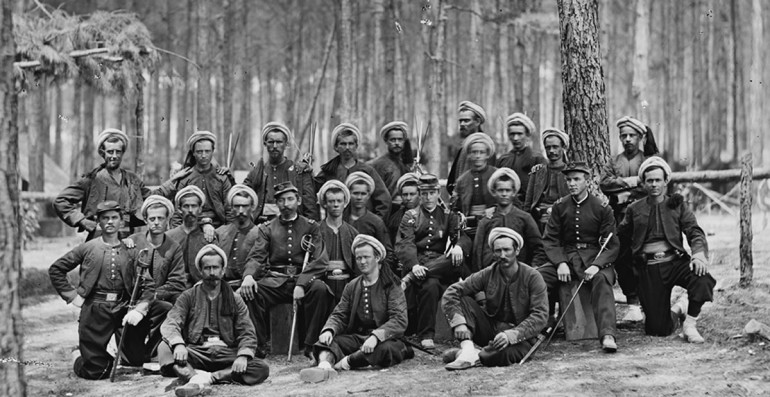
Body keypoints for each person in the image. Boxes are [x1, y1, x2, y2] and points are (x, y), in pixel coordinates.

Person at [48, 201, 156, 379]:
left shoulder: (130, 249)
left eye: (115, 218)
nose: (110, 222)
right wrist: (73, 296)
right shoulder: (88, 247)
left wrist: (139, 309)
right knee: (96, 372)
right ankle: (79, 356)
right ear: (98, 221)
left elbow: (148, 284)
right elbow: (56, 269)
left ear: (121, 221)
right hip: (96, 309)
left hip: (123, 307)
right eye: (105, 218)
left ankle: (111, 355)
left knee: (135, 360)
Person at [618, 157, 716, 342]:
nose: (654, 184)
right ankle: (678, 308)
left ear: (665, 182)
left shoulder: (677, 205)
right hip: (649, 267)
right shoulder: (634, 209)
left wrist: (698, 254)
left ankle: (690, 324)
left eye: (658, 180)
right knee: (657, 329)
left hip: (675, 262)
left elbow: (693, 231)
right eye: (650, 180)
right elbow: (620, 238)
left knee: (702, 278)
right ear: (644, 183)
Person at [159, 244, 269, 396]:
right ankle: (195, 377)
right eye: (207, 268)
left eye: (216, 268)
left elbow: (247, 331)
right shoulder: (188, 297)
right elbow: (171, 322)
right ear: (200, 271)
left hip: (225, 352)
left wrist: (243, 356)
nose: (212, 272)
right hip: (198, 352)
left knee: (260, 367)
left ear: (223, 270)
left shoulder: (235, 299)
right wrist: (178, 344)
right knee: (164, 348)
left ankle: (207, 378)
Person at [299, 235, 412, 383]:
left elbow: (399, 320)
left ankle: (346, 363)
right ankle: (324, 367)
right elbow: (340, 314)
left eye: (366, 257)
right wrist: (329, 329)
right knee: (327, 342)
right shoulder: (352, 286)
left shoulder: (392, 285)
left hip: (386, 339)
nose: (362, 262)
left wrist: (375, 337)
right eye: (358, 258)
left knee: (384, 350)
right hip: (358, 338)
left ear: (377, 258)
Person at [241, 181, 335, 355]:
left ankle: (311, 343)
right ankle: (258, 344)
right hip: (277, 281)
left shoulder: (312, 226)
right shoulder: (267, 228)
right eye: (281, 200)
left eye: (290, 199)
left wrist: (301, 283)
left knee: (320, 289)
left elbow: (320, 261)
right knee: (251, 291)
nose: (286, 204)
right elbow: (257, 256)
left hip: (303, 279)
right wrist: (249, 276)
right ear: (276, 203)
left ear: (298, 201)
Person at [538, 162, 620, 353]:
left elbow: (612, 244)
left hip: (594, 258)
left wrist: (597, 265)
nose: (572, 183)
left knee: (602, 280)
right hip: (567, 258)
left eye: (576, 179)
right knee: (538, 277)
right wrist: (560, 263)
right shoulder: (559, 207)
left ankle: (607, 334)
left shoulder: (601, 207)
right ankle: (541, 325)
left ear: (587, 181)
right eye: (569, 179)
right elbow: (550, 239)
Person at [442, 227, 548, 370]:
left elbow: (540, 315)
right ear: (493, 253)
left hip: (521, 337)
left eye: (507, 250)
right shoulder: (488, 273)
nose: (502, 255)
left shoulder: (533, 277)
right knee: (463, 299)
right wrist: (459, 323)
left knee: (494, 357)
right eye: (498, 251)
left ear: (517, 251)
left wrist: (510, 335)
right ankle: (467, 349)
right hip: (491, 330)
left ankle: (472, 354)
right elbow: (452, 291)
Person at [395, 174, 470, 350]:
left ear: (438, 193)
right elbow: (405, 243)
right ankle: (426, 334)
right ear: (419, 194)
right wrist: (414, 265)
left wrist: (459, 246)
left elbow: (463, 238)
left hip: (441, 263)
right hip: (419, 264)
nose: (428, 198)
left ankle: (410, 278)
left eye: (432, 193)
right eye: (424, 193)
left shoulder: (448, 215)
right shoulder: (411, 216)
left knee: (455, 259)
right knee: (431, 285)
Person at [600, 116, 660, 322]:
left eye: (632, 135)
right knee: (623, 258)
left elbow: (649, 186)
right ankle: (632, 303)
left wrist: (626, 192)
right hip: (620, 217)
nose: (627, 139)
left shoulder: (648, 160)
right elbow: (604, 183)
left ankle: (649, 301)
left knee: (644, 257)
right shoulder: (614, 161)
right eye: (623, 135)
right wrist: (629, 182)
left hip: (644, 217)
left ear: (640, 137)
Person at [54, 129, 150, 240]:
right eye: (110, 152)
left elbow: (152, 197)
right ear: (103, 152)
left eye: (118, 152)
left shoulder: (132, 180)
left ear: (122, 153)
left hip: (125, 239)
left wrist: (173, 183)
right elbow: (61, 201)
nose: (114, 156)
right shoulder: (92, 180)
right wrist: (81, 220)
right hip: (98, 240)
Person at [473, 168, 547, 273]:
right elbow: (477, 252)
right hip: (491, 274)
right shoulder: (486, 220)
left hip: (519, 274)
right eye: (500, 190)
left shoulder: (524, 218)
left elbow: (538, 247)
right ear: (494, 192)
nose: (504, 194)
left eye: (508, 190)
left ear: (514, 192)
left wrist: (533, 268)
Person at [155, 131, 234, 228]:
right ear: (193, 153)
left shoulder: (221, 177)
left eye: (207, 151)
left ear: (213, 151)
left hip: (218, 227)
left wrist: (228, 233)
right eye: (199, 152)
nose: (204, 155)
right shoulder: (185, 177)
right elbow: (178, 213)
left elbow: (230, 211)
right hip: (191, 227)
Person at [243, 122, 318, 222]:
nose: (274, 146)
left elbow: (310, 208)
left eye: (279, 142)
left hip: (292, 226)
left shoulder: (298, 171)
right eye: (271, 142)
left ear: (286, 144)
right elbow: (242, 195)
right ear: (265, 143)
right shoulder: (257, 172)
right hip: (262, 226)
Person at [315, 123, 392, 220]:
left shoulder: (367, 171)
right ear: (336, 147)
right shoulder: (328, 171)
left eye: (351, 144)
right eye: (343, 144)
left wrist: (374, 223)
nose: (347, 147)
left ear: (356, 146)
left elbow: (384, 200)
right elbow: (312, 196)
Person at [128, 195, 186, 304]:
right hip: (131, 298)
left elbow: (177, 282)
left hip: (160, 300)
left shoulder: (174, 247)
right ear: (145, 220)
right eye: (152, 219)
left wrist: (152, 296)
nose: (156, 222)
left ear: (167, 219)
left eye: (160, 218)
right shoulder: (133, 241)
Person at [317, 180, 360, 302]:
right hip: (323, 286)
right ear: (325, 204)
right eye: (331, 201)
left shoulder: (353, 233)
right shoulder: (316, 231)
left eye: (339, 201)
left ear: (345, 203)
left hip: (346, 287)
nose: (336, 205)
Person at [450, 132, 498, 239]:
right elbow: (455, 207)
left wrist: (494, 208)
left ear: (487, 154)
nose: (478, 156)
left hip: (493, 225)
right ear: (469, 155)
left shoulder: (496, 175)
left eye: (481, 152)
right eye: (474, 152)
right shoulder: (462, 180)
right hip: (469, 228)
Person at [345, 171, 395, 270]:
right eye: (355, 193)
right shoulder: (342, 219)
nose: (359, 197)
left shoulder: (375, 222)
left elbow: (388, 254)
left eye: (363, 194)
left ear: (368, 196)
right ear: (349, 194)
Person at [167, 186, 217, 285]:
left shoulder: (208, 236)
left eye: (194, 206)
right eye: (186, 206)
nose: (190, 210)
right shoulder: (169, 237)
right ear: (180, 209)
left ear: (200, 209)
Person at [524, 127, 570, 233]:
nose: (551, 151)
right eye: (548, 147)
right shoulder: (537, 172)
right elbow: (528, 204)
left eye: (555, 147)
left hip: (564, 224)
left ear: (563, 147)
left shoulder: (570, 173)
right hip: (540, 224)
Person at [215, 184, 261, 288]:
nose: (240, 211)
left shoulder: (260, 234)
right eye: (236, 206)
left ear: (252, 207)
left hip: (249, 286)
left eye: (245, 206)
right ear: (231, 208)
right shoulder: (220, 233)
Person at [447, 101, 496, 194]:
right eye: (460, 121)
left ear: (477, 121)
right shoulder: (463, 148)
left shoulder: (487, 147)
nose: (462, 124)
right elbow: (452, 182)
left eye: (466, 120)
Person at [496, 113, 547, 204]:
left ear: (527, 135)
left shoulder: (537, 159)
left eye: (519, 134)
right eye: (512, 134)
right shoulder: (503, 160)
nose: (515, 138)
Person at [368, 121, 414, 204]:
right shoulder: (378, 164)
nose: (397, 143)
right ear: (386, 141)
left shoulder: (405, 164)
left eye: (400, 139)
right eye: (393, 140)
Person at [386, 172, 421, 246]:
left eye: (412, 194)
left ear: (419, 194)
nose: (408, 198)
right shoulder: (395, 219)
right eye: (405, 195)